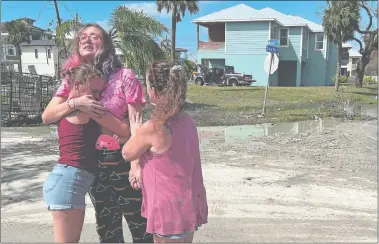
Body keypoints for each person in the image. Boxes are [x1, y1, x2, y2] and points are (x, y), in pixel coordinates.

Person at [41, 23, 153, 243]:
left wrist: (136, 164)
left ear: (106, 45)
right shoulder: (74, 80)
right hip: (95, 167)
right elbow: (48, 115)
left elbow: (134, 123)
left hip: (125, 161)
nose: (86, 39)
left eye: (94, 36)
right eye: (82, 36)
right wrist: (76, 102)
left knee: (141, 226)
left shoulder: (124, 76)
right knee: (108, 229)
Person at [121, 61, 208, 243]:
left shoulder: (153, 127)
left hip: (166, 211)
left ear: (154, 91)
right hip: (188, 204)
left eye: (147, 84)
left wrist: (135, 130)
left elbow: (127, 153)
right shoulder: (188, 121)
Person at [43, 64, 110, 243]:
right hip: (68, 180)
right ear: (78, 85)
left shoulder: (73, 107)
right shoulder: (83, 108)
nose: (97, 97)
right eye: (94, 91)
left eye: (99, 93)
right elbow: (45, 116)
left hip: (70, 180)